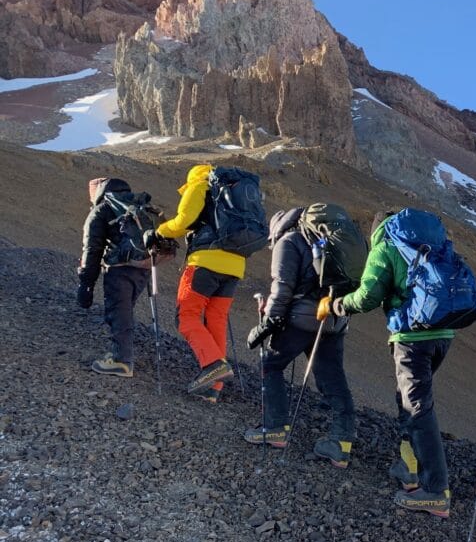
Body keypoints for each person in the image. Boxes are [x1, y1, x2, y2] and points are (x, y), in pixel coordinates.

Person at [330, 210, 454, 518]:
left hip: (411, 337)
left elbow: (368, 296)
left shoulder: (387, 246)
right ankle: (408, 468)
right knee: (410, 401)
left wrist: (337, 305)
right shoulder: (432, 242)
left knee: (417, 408)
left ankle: (436, 490)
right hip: (444, 332)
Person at [243, 208, 355, 466]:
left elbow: (282, 287)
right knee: (333, 380)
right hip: (334, 320)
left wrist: (268, 322)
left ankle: (275, 428)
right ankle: (342, 442)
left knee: (271, 365)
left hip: (302, 320)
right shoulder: (329, 241)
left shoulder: (289, 242)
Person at [152, 164, 242, 402]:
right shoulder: (235, 193)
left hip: (205, 262)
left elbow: (184, 220)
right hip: (235, 266)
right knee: (216, 320)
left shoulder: (200, 184)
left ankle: (213, 366)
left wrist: (159, 232)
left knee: (187, 317)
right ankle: (214, 388)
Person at [77, 178, 150, 377]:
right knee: (125, 310)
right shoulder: (136, 205)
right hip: (144, 267)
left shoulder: (101, 211)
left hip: (120, 268)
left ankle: (122, 361)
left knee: (118, 313)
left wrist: (86, 284)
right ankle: (123, 354)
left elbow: (92, 249)